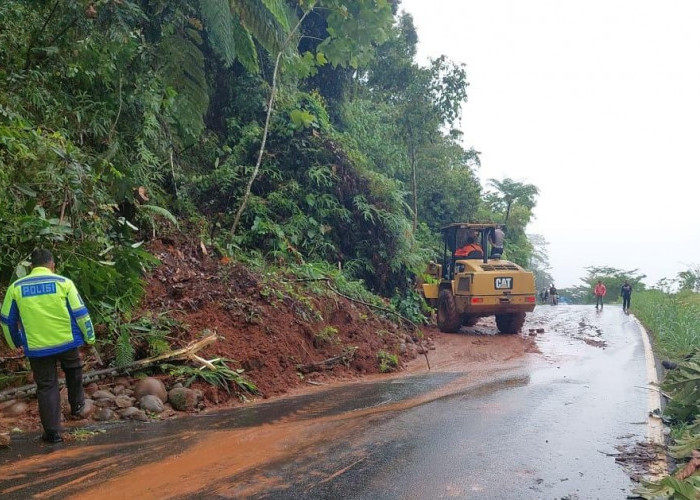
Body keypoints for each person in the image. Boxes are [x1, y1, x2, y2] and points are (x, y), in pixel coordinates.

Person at [0, 249, 95, 443]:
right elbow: (80, 313)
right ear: (51, 265)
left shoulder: (16, 287)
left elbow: (6, 320)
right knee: (74, 368)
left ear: (31, 266)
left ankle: (52, 433)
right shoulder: (63, 283)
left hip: (37, 348)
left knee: (46, 385)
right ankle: (77, 406)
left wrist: (15, 342)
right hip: (66, 341)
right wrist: (90, 337)